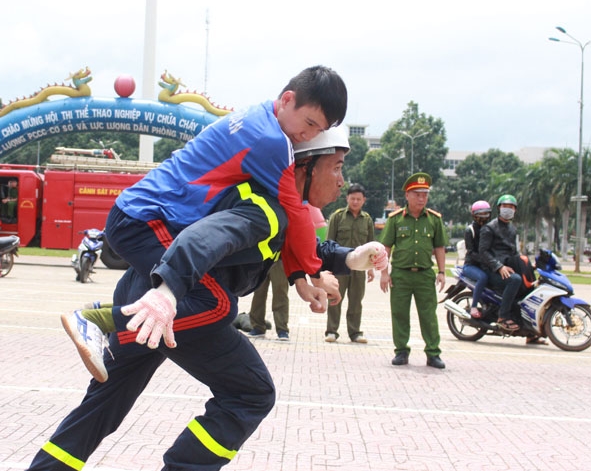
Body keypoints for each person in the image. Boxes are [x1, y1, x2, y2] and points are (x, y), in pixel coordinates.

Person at [27, 129, 389, 471]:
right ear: (304, 167)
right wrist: (166, 298)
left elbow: (310, 248)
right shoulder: (263, 210)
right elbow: (202, 240)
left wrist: (354, 256)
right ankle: (106, 320)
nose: (342, 180)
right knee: (251, 392)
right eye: (337, 167)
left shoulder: (279, 202)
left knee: (102, 405)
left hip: (140, 289)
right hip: (181, 304)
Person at [112, 65, 348, 308]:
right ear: (288, 99)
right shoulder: (272, 142)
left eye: (319, 130)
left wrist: (300, 276)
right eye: (309, 123)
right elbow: (296, 212)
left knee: (177, 292)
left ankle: (108, 323)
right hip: (144, 219)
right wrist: (316, 273)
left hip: (140, 212)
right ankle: (103, 323)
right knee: (210, 302)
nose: (309, 135)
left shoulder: (260, 115)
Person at [379, 172, 447, 369]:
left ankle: (433, 353)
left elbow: (440, 247)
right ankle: (401, 351)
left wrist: (442, 272)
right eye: (417, 194)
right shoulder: (395, 219)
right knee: (400, 314)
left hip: (425, 274)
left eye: (425, 194)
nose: (421, 198)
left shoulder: (434, 219)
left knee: (429, 315)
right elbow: (386, 248)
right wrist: (384, 273)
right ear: (407, 196)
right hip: (400, 274)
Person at [324, 183, 375, 343]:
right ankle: (331, 331)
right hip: (340, 265)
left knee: (356, 300)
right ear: (347, 198)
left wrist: (371, 268)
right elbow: (329, 243)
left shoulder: (367, 220)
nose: (355, 202)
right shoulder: (337, 217)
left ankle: (355, 332)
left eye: (358, 199)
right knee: (334, 297)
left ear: (363, 200)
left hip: (359, 267)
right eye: (352, 198)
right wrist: (327, 267)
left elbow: (371, 245)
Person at [478, 194, 523, 332]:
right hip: (492, 269)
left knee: (529, 284)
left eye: (511, 207)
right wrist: (499, 267)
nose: (508, 209)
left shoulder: (512, 229)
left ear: (515, 210)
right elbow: (483, 252)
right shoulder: (489, 228)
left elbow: (514, 251)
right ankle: (502, 317)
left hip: (508, 266)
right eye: (505, 206)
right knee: (515, 280)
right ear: (499, 208)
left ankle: (529, 331)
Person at [462, 200, 492, 319]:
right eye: (481, 215)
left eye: (486, 214)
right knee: (483, 277)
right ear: (474, 216)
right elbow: (471, 251)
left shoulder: (490, 229)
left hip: (486, 264)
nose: (483, 218)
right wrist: (485, 260)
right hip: (471, 265)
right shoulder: (470, 230)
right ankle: (474, 306)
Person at [248, 260, 290, 340]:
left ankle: (282, 329)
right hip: (262, 259)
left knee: (280, 293)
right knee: (258, 293)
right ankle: (258, 327)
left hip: (279, 259)